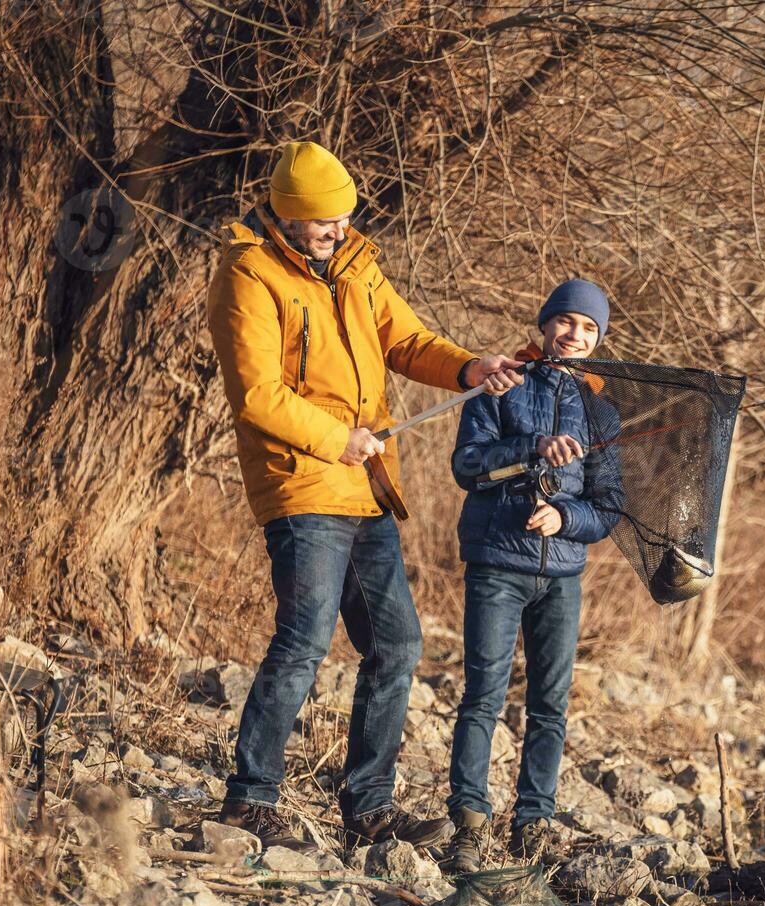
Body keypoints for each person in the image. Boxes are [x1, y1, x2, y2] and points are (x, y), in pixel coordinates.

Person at [204, 140, 525, 850]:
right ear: (288, 217)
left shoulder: (357, 265)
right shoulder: (248, 275)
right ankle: (249, 801)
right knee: (305, 639)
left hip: (368, 487)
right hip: (304, 481)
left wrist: (471, 367)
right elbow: (256, 393)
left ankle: (369, 808)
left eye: (345, 218)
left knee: (398, 644)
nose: (338, 231)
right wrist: (332, 438)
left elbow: (408, 341)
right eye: (324, 223)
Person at [442, 278, 624, 872]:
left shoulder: (601, 411)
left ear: (597, 340)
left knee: (550, 704)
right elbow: (466, 467)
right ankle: (469, 823)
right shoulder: (499, 386)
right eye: (566, 322)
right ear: (545, 324)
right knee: (483, 696)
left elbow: (609, 506)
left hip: (563, 576)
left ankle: (534, 824)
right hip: (497, 563)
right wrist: (531, 449)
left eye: (588, 328)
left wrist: (565, 516)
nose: (575, 335)